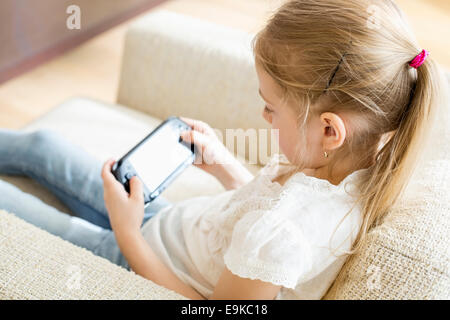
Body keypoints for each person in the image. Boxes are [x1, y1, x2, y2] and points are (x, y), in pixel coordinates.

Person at [0, 0, 446, 300]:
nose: (264, 115)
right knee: (43, 144)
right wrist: (223, 165)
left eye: (272, 108)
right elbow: (266, 201)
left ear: (330, 131)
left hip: (136, 252)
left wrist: (128, 234)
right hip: (172, 222)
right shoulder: (343, 164)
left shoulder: (285, 238)